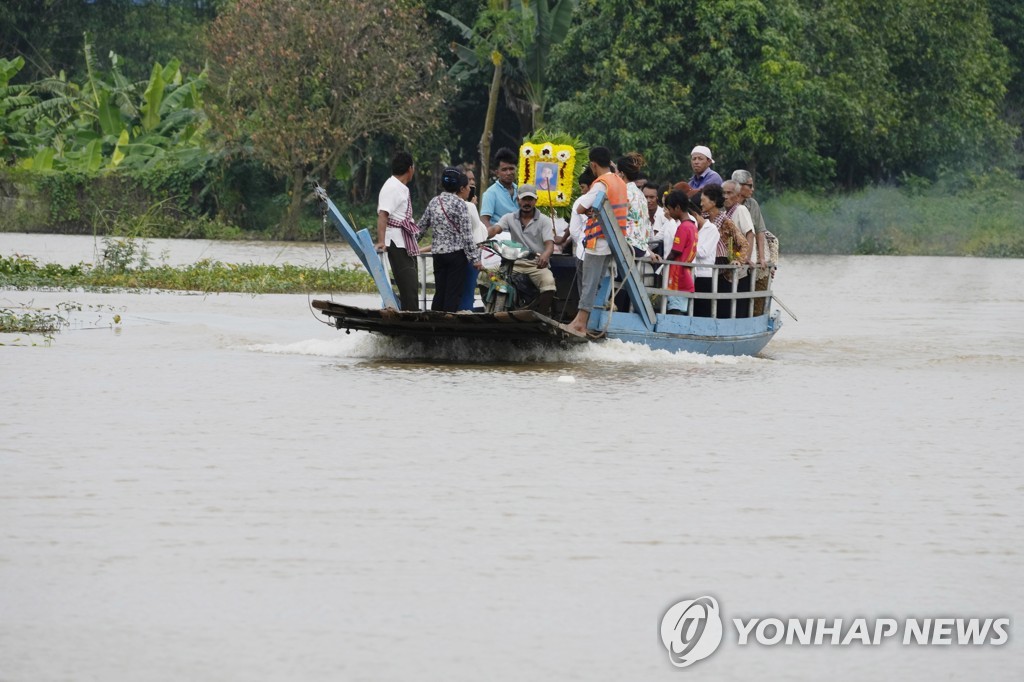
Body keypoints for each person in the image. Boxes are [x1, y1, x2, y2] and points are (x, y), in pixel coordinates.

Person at [566, 146, 629, 336]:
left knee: (589, 282)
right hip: (614, 240)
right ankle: (581, 320)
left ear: (593, 165)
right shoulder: (620, 181)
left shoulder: (601, 183)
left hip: (598, 239)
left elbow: (581, 207)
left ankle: (580, 323)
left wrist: (586, 210)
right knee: (597, 282)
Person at [418, 167, 481, 312]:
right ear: (460, 187)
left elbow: (421, 227)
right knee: (452, 294)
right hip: (456, 256)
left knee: (440, 292)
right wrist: (475, 259)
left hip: (438, 256)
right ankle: (447, 328)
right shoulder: (460, 204)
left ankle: (434, 324)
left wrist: (410, 245)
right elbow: (467, 235)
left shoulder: (434, 202)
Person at [492, 184, 557, 316]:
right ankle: (492, 309)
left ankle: (541, 318)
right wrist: (483, 235)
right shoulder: (509, 217)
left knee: (549, 284)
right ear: (518, 200)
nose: (527, 203)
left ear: (535, 201)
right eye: (524, 199)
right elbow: (495, 229)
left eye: (530, 199)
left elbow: (549, 244)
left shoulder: (544, 220)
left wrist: (545, 255)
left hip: (536, 264)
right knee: (486, 276)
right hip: (513, 263)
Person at [375, 151, 421, 311]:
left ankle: (411, 315)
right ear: (410, 169)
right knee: (408, 286)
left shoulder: (400, 187)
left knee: (412, 286)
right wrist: (381, 241)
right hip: (396, 242)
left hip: (404, 242)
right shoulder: (392, 187)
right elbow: (383, 214)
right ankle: (411, 321)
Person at [700, 183, 748, 318]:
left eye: (703, 201)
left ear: (713, 202)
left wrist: (738, 260)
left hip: (722, 271)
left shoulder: (726, 221)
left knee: (721, 308)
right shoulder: (702, 218)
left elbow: (744, 243)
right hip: (705, 268)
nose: (701, 204)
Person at [651, 189, 698, 315]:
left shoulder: (683, 227)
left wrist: (664, 263)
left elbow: (676, 250)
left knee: (674, 307)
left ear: (677, 208)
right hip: (686, 274)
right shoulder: (693, 226)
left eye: (670, 209)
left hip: (678, 275)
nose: (669, 213)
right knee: (681, 307)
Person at [732, 169, 770, 315]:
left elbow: (759, 231)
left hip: (748, 253)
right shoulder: (726, 203)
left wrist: (761, 257)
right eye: (750, 185)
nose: (752, 189)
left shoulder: (752, 204)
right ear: (739, 186)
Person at [722, 179, 756, 317]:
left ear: (737, 196)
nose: (725, 196)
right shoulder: (725, 214)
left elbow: (750, 234)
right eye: (723, 193)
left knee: (740, 305)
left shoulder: (740, 210)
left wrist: (746, 258)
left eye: (729, 193)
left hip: (742, 268)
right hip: (732, 266)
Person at [458, 174, 489, 310]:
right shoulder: (468, 207)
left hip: (468, 254)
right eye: (468, 181)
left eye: (473, 180)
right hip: (471, 255)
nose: (471, 185)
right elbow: (475, 231)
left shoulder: (469, 207)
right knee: (467, 291)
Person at [690, 190, 720, 317]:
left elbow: (703, 252)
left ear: (696, 215)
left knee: (702, 310)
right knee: (692, 308)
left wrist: (687, 248)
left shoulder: (712, 229)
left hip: (705, 275)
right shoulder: (695, 229)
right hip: (692, 274)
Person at [480, 147, 518, 231]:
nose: (509, 173)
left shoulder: (520, 190)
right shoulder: (490, 193)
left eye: (511, 168)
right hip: (500, 240)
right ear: (497, 173)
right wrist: (493, 236)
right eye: (504, 170)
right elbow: (484, 219)